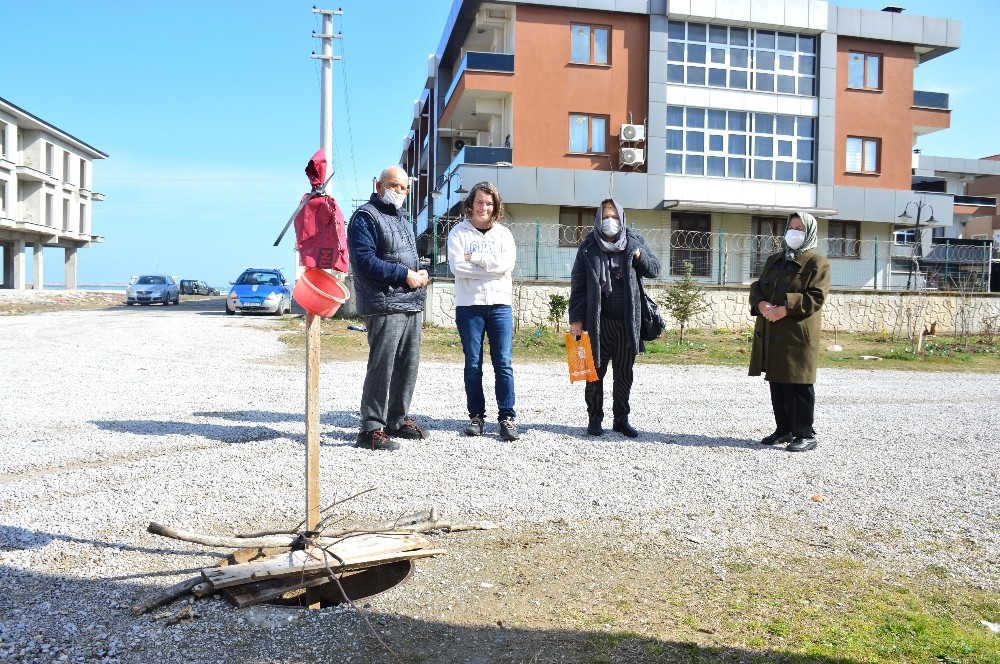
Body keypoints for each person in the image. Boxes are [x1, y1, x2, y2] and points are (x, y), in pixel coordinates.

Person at [347, 166, 430, 451]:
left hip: (410, 301)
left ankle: (397, 418)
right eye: (394, 185)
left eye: (404, 187)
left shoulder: (404, 219)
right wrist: (403, 274)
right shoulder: (366, 217)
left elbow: (409, 258)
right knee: (382, 366)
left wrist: (420, 272)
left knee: (408, 364)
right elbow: (364, 261)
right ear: (380, 185)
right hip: (383, 302)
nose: (399, 191)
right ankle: (371, 427)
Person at [568, 199, 660, 438]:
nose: (610, 222)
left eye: (614, 217)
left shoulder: (634, 241)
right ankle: (594, 419)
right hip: (598, 323)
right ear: (598, 219)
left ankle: (621, 419)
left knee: (624, 374)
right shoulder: (588, 246)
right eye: (605, 217)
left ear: (622, 218)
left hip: (628, 323)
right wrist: (576, 319)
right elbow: (578, 285)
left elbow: (655, 269)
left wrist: (639, 256)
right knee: (594, 372)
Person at [748, 211, 831, 452]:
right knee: (777, 380)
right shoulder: (776, 259)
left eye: (800, 229)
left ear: (810, 233)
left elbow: (816, 297)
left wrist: (785, 309)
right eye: (792, 227)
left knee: (798, 382)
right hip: (772, 329)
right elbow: (757, 287)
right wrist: (761, 305)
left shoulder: (817, 262)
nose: (794, 232)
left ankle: (805, 433)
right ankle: (784, 428)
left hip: (796, 333)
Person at [446, 181, 521, 441]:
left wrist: (474, 258)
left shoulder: (504, 235)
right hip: (470, 307)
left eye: (489, 203)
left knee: (503, 364)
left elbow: (506, 264)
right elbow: (457, 268)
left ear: (495, 206)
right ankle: (476, 417)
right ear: (471, 204)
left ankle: (507, 418)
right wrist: (490, 266)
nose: (484, 207)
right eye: (479, 202)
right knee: (473, 364)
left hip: (500, 305)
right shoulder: (458, 233)